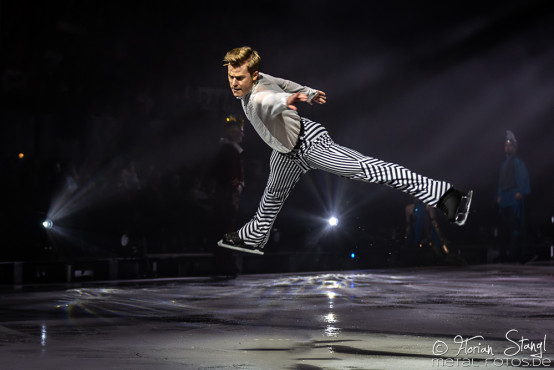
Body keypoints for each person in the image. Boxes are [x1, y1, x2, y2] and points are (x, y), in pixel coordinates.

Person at [218, 46, 472, 255]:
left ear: (254, 75)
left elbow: (270, 100)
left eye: (239, 78)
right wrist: (307, 92)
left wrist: (287, 100)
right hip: (286, 152)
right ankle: (253, 237)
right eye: (231, 76)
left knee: (368, 169)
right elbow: (283, 82)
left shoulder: (258, 94)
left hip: (309, 144)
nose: (234, 83)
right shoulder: (261, 79)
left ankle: (449, 197)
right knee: (272, 196)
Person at [211, 115, 246, 275]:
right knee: (225, 228)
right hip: (227, 196)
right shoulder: (229, 150)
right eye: (240, 131)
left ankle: (224, 263)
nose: (242, 135)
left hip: (225, 195)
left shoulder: (229, 149)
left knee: (223, 228)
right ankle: (225, 264)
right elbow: (230, 174)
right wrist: (237, 186)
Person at [496, 130, 531, 263]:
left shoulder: (518, 162)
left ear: (514, 147)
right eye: (506, 145)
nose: (507, 147)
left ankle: (521, 253)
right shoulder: (504, 164)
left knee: (517, 225)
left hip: (514, 195)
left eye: (510, 145)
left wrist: (521, 192)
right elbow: (501, 181)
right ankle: (510, 253)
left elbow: (523, 178)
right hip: (505, 197)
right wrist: (499, 195)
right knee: (508, 226)